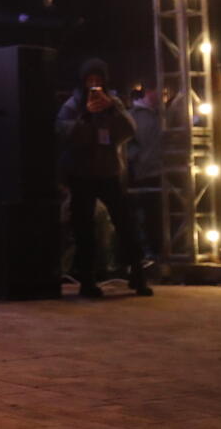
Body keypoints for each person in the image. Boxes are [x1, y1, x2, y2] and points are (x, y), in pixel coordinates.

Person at [55, 59, 152, 298]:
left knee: (125, 224)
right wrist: (86, 117)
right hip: (81, 174)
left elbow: (129, 130)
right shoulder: (73, 105)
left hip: (109, 173)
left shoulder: (114, 103)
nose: (94, 85)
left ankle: (137, 274)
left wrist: (111, 110)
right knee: (84, 229)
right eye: (90, 80)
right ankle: (87, 280)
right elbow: (63, 133)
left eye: (98, 80)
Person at [125, 84, 164, 261]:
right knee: (148, 213)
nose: (162, 96)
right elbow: (128, 142)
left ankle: (156, 249)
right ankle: (149, 250)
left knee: (155, 213)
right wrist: (137, 158)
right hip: (145, 170)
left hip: (157, 169)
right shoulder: (136, 116)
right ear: (149, 92)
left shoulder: (158, 114)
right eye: (159, 91)